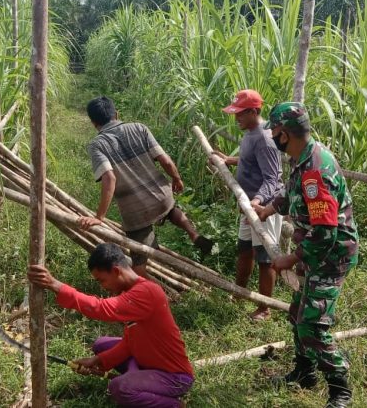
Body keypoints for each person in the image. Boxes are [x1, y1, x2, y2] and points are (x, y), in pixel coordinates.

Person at [254, 102, 358, 408]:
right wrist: (267, 209)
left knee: (311, 325)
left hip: (330, 255)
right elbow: (290, 194)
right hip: (314, 251)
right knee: (296, 311)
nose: (271, 135)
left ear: (284, 134)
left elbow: (326, 233)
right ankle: (305, 372)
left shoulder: (315, 171)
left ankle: (340, 387)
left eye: (273, 130)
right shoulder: (302, 158)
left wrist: (291, 258)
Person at [27, 243, 194, 408]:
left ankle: (174, 405)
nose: (103, 287)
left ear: (116, 271)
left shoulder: (146, 292)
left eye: (102, 281)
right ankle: (137, 377)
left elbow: (100, 308)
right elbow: (130, 343)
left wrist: (55, 285)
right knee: (102, 345)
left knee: (120, 388)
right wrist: (98, 360)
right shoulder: (130, 292)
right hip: (147, 362)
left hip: (174, 377)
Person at [78, 96, 213, 278]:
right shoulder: (139, 128)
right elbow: (164, 159)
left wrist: (99, 217)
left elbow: (109, 178)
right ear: (116, 114)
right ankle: (193, 233)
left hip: (135, 210)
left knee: (139, 254)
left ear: (93, 122)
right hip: (161, 195)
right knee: (172, 209)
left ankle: (142, 287)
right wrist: (176, 178)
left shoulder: (97, 145)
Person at [211, 89, 283, 322]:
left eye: (240, 113)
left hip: (264, 208)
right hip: (249, 205)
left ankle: (265, 308)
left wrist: (257, 202)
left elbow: (272, 179)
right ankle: (239, 293)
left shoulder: (265, 138)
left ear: (254, 111)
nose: (236, 118)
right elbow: (251, 161)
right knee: (244, 251)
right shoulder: (250, 133)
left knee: (265, 258)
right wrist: (230, 160)